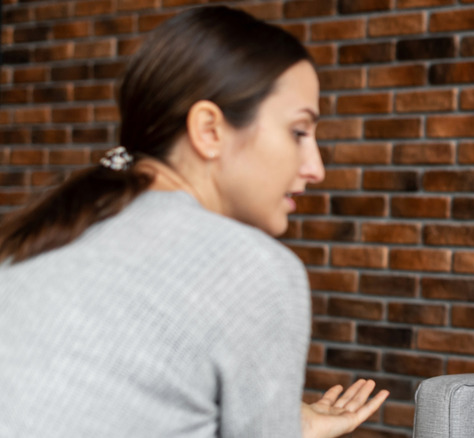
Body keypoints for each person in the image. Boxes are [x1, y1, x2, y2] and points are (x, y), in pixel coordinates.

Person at [0, 6, 387, 437]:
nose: (315, 168)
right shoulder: (254, 268)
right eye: (298, 132)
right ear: (209, 130)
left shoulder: (42, 237)